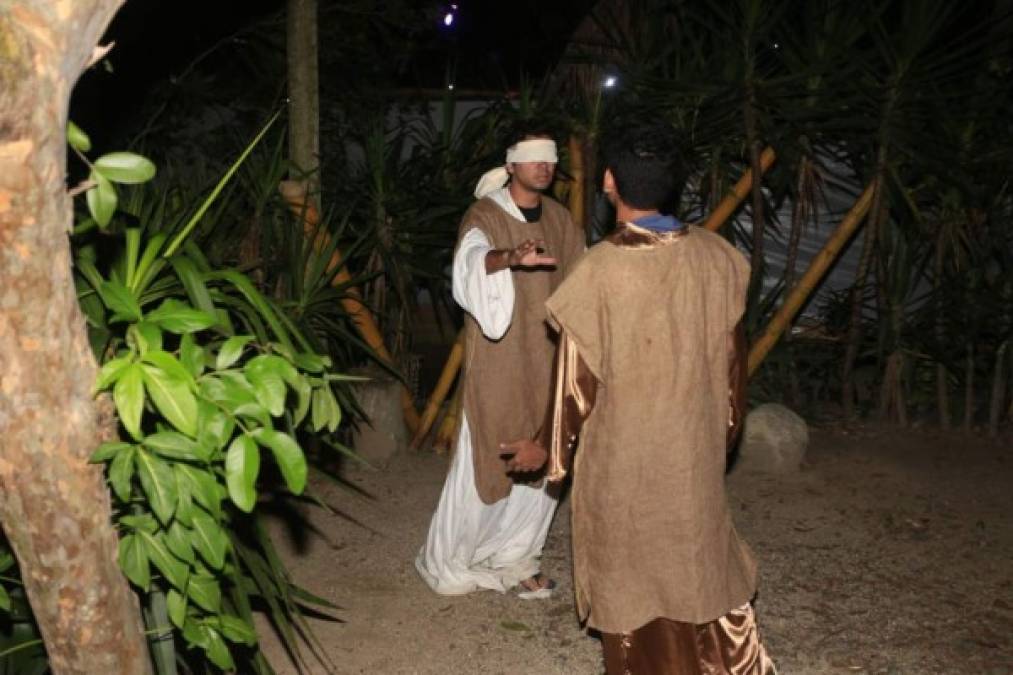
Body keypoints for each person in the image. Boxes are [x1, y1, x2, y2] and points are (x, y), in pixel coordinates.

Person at [502, 124, 777, 673]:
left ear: (609, 181)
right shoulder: (719, 257)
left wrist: (546, 450)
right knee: (696, 563)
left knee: (631, 579)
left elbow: (574, 384)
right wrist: (719, 435)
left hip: (624, 460)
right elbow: (733, 368)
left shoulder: (599, 270)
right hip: (693, 450)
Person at [415, 130, 585, 599]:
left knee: (545, 450)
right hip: (501, 359)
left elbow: (581, 275)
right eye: (532, 158)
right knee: (486, 455)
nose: (543, 165)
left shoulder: (560, 219)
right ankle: (449, 559)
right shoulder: (485, 213)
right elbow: (469, 259)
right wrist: (510, 257)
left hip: (550, 354)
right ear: (511, 164)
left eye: (549, 158)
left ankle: (516, 556)